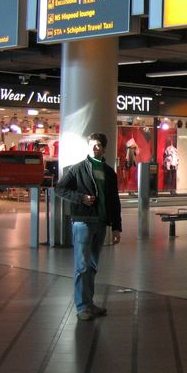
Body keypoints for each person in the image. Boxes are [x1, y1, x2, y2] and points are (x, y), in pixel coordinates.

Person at [56, 133, 122, 321]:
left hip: (100, 222)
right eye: (92, 144)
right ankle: (82, 306)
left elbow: (114, 201)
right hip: (83, 222)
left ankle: (89, 303)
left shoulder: (109, 172)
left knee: (92, 265)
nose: (94, 148)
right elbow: (60, 189)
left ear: (104, 148)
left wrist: (116, 227)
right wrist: (81, 198)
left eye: (98, 145)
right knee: (82, 265)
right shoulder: (77, 169)